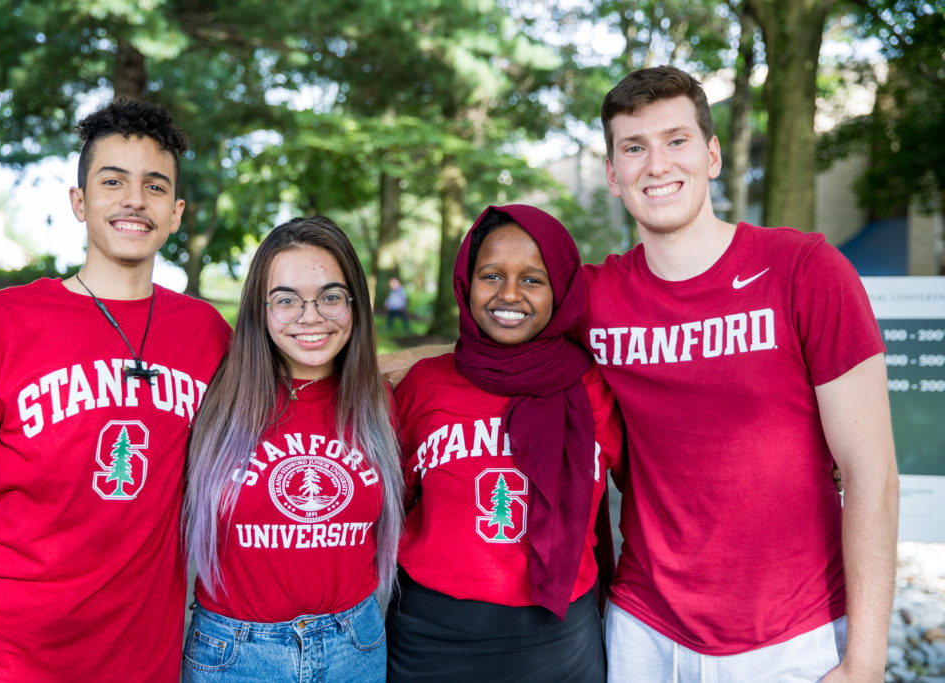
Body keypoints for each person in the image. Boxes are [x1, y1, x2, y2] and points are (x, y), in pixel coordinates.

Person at [587, 66, 898, 681]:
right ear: (613, 176)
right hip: (644, 632)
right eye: (634, 148)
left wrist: (864, 662)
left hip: (795, 635)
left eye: (676, 141)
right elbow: (491, 347)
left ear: (712, 155)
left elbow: (872, 474)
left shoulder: (805, 270)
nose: (657, 164)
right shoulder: (594, 298)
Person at [0, 99, 231, 681]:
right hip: (4, 657)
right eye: (112, 181)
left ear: (176, 213)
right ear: (78, 202)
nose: (134, 200)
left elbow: (304, 380)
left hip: (142, 661)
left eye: (155, 187)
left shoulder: (207, 334)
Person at [386, 205, 623, 681]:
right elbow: (391, 502)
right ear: (465, 283)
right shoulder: (423, 386)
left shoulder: (596, 388)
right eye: (491, 275)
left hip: (559, 639)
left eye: (533, 279)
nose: (509, 294)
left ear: (561, 289)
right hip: (432, 637)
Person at [181, 216, 403, 682]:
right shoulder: (215, 394)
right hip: (234, 654)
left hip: (354, 648)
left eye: (330, 297)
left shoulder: (379, 403)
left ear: (355, 305)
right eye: (286, 300)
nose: (310, 316)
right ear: (259, 310)